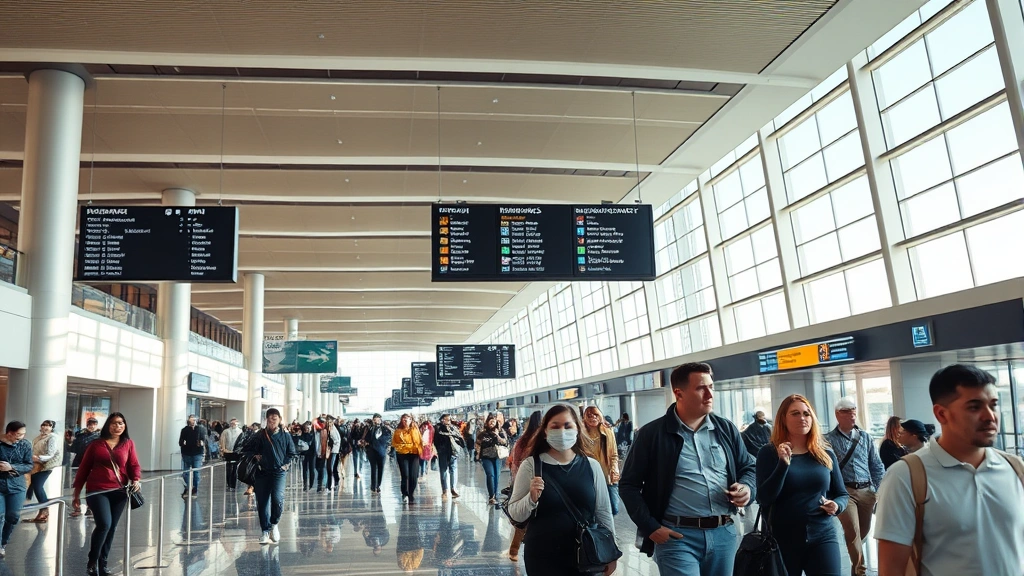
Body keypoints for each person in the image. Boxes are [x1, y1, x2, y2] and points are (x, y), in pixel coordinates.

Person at [875, 364, 1024, 575]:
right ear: (941, 414)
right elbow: (891, 569)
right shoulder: (906, 476)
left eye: (994, 405)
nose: (990, 416)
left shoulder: (1015, 469)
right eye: (974, 407)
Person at [619, 362, 756, 575]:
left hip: (724, 534)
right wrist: (650, 527)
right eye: (701, 388)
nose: (710, 394)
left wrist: (747, 488)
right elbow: (629, 485)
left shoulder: (725, 429)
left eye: (711, 386)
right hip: (678, 536)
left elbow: (749, 467)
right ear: (679, 393)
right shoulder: (652, 434)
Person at [508, 404, 617, 576]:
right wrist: (531, 499)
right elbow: (515, 514)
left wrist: (611, 552)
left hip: (585, 554)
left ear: (577, 429)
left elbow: (603, 511)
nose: (562, 431)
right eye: (555, 426)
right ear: (545, 431)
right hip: (542, 557)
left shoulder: (591, 466)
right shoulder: (531, 466)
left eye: (567, 426)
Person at [756, 395, 849, 576]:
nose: (803, 418)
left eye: (806, 414)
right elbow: (764, 498)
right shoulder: (769, 453)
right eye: (795, 413)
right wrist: (783, 464)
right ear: (783, 419)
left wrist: (837, 506)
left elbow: (842, 494)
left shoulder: (825, 453)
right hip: (782, 539)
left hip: (823, 534)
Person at [72, 413, 141, 576]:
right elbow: (83, 469)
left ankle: (103, 563)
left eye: (121, 423)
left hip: (119, 491)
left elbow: (133, 464)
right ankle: (92, 561)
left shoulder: (128, 443)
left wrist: (136, 479)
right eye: (114, 423)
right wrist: (76, 494)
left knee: (111, 528)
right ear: (108, 425)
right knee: (104, 525)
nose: (118, 426)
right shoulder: (96, 444)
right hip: (97, 490)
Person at [824, 397, 884, 576]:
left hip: (867, 491)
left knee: (862, 534)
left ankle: (855, 568)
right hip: (844, 492)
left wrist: (878, 490)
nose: (852, 415)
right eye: (847, 411)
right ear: (837, 414)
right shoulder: (827, 440)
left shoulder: (865, 437)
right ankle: (861, 572)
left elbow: (877, 465)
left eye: (854, 410)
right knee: (852, 531)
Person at [238, 408, 297, 545]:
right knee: (263, 502)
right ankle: (265, 531)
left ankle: (274, 524)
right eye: (269, 418)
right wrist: (254, 455)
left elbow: (292, 453)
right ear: (266, 420)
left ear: (280, 419)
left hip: (279, 472)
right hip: (262, 472)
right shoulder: (260, 435)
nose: (272, 421)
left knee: (278, 499)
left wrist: (285, 465)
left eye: (274, 418)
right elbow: (246, 449)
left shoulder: (285, 435)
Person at [506, 410, 542, 563]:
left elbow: (514, 461)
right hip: (537, 480)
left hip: (521, 480)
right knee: (528, 518)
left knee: (523, 520)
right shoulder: (540, 439)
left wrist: (515, 480)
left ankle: (514, 550)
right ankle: (516, 549)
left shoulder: (522, 440)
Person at [581, 406, 621, 515]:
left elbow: (614, 454)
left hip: (607, 475)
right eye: (589, 415)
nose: (592, 417)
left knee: (614, 508)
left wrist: (615, 469)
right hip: (589, 478)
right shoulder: (580, 434)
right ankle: (599, 529)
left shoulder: (607, 431)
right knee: (593, 509)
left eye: (595, 415)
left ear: (600, 416)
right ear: (584, 418)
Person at [26, 419, 61, 523]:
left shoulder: (52, 438)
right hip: (36, 465)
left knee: (38, 487)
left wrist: (39, 458)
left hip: (45, 466)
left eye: (48, 426)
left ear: (52, 428)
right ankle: (43, 511)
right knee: (35, 486)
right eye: (44, 425)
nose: (45, 427)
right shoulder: (39, 437)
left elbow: (51, 454)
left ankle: (44, 511)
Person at [475, 416, 509, 506]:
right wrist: (478, 453)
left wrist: (497, 435)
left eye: (493, 422)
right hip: (486, 457)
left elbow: (505, 442)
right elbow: (477, 443)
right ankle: (491, 496)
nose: (492, 423)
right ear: (487, 423)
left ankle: (495, 494)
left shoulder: (501, 431)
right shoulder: (482, 433)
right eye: (490, 422)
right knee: (490, 475)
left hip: (497, 456)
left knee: (497, 475)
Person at [392, 414, 424, 504]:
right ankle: (405, 493)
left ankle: (411, 493)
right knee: (405, 475)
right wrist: (405, 446)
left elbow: (419, 441)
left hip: (414, 454)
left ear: (411, 420)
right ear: (401, 420)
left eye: (408, 419)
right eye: (404, 420)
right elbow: (395, 443)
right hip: (402, 454)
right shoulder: (398, 431)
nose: (406, 421)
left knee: (413, 476)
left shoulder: (415, 430)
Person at [433, 414, 465, 500]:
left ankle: (453, 489)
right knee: (443, 471)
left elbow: (459, 438)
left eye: (449, 420)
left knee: (453, 470)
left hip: (453, 452)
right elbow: (435, 440)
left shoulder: (453, 428)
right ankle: (445, 490)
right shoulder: (437, 428)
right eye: (447, 420)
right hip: (442, 452)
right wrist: (436, 450)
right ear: (442, 420)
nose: (449, 421)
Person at [362, 414, 392, 494]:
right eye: (375, 420)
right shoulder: (369, 428)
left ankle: (378, 485)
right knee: (373, 468)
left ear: (380, 420)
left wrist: (386, 446)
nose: (376, 421)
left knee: (380, 468)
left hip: (382, 451)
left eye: (378, 420)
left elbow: (389, 437)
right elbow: (365, 438)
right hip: (372, 451)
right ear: (373, 420)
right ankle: (373, 486)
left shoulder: (385, 429)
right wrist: (367, 446)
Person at [178, 415, 205, 498]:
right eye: (191, 420)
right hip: (186, 453)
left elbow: (204, 440)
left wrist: (202, 443)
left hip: (197, 454)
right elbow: (180, 442)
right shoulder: (184, 430)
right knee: (185, 473)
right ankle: (188, 487)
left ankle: (194, 489)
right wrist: (183, 443)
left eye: (194, 420)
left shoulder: (200, 429)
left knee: (196, 472)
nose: (192, 422)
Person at [313, 416, 340, 494]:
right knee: (325, 468)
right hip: (327, 452)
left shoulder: (331, 430)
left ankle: (326, 486)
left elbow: (337, 441)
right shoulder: (325, 430)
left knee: (327, 468)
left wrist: (331, 450)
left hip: (330, 452)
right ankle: (325, 486)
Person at [221, 418, 243, 491]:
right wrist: (223, 450)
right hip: (228, 452)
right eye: (232, 423)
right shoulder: (226, 431)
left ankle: (233, 484)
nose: (233, 425)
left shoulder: (241, 432)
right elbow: (222, 441)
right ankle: (229, 484)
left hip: (237, 453)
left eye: (235, 423)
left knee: (235, 469)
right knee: (229, 469)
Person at [334, 418, 352, 486]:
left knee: (338, 463)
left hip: (341, 447)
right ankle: (343, 473)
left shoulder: (338, 428)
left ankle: (340, 475)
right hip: (345, 447)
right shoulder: (346, 428)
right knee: (343, 462)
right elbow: (349, 438)